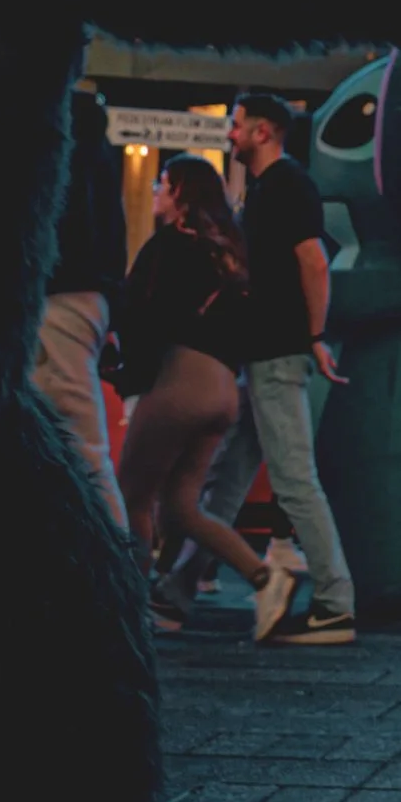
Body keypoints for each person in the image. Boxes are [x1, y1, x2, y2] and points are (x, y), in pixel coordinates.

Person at [179, 92, 355, 645]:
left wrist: (315, 337)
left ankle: (336, 604)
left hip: (278, 353)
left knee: (295, 480)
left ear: (263, 132)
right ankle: (177, 588)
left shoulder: (287, 185)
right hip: (262, 353)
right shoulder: (264, 189)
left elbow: (314, 262)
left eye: (236, 126)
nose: (229, 135)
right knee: (228, 476)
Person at [116, 157, 285, 632]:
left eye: (162, 185)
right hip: (223, 389)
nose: (155, 192)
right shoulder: (228, 251)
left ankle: (129, 605)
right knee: (183, 506)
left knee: (133, 496)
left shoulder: (169, 246)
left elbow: (140, 313)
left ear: (180, 193)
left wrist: (131, 379)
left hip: (181, 380)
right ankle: (265, 576)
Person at [32, 84, 129, 532]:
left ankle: (112, 558)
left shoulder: (58, 133)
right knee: (76, 441)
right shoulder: (96, 143)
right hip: (85, 297)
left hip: (57, 294)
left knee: (80, 443)